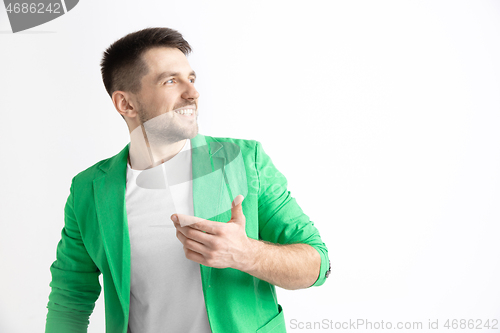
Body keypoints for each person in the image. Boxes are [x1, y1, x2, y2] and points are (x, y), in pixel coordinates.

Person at [45, 27, 331, 333]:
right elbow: (70, 297)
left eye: (191, 79)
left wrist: (246, 254)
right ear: (126, 104)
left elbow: (318, 265)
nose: (192, 93)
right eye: (171, 80)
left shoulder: (246, 161)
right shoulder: (88, 189)